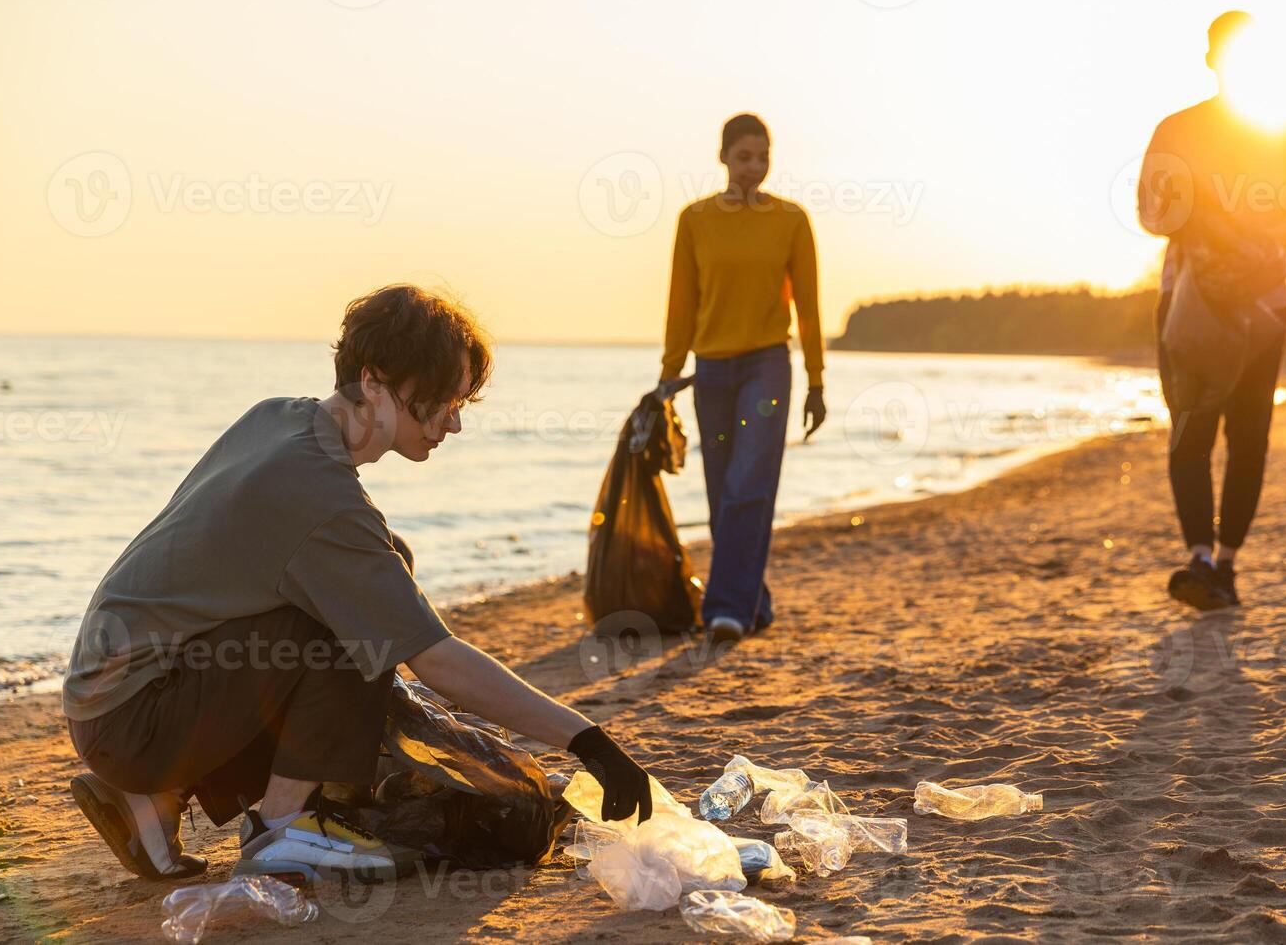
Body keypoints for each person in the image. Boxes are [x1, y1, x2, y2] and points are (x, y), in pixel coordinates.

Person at [63, 284, 653, 882]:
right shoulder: (321, 500)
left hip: (112, 700)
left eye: (463, 403)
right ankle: (282, 829)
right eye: (442, 399)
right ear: (373, 382)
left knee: (384, 566)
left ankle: (162, 797)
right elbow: (438, 661)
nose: (453, 423)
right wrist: (588, 742)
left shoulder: (277, 417)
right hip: (138, 720)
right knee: (356, 628)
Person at [1137, 12, 1286, 609]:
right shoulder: (1175, 129)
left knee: (1249, 437)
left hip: (1264, 305)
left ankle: (1226, 564)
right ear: (1210, 58)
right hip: (1187, 300)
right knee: (1190, 431)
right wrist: (1200, 217)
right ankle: (1201, 559)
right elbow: (1149, 212)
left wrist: (1235, 226)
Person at [658, 113, 827, 645]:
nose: (754, 167)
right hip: (711, 369)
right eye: (743, 156)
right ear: (723, 157)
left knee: (748, 484)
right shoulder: (694, 219)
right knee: (721, 489)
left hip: (767, 367)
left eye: (763, 156)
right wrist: (669, 373)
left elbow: (809, 304)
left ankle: (726, 608)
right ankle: (753, 598)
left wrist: (817, 380)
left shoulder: (791, 220)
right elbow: (682, 302)